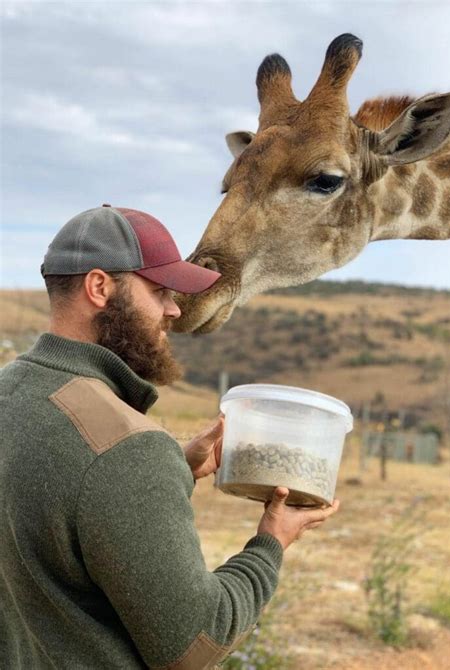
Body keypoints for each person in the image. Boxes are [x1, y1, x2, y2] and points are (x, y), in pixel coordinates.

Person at [0, 204, 340, 669]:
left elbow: (54, 500)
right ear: (99, 287)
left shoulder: (10, 393)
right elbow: (195, 644)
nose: (174, 310)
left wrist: (173, 467)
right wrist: (271, 542)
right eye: (160, 291)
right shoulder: (127, 449)